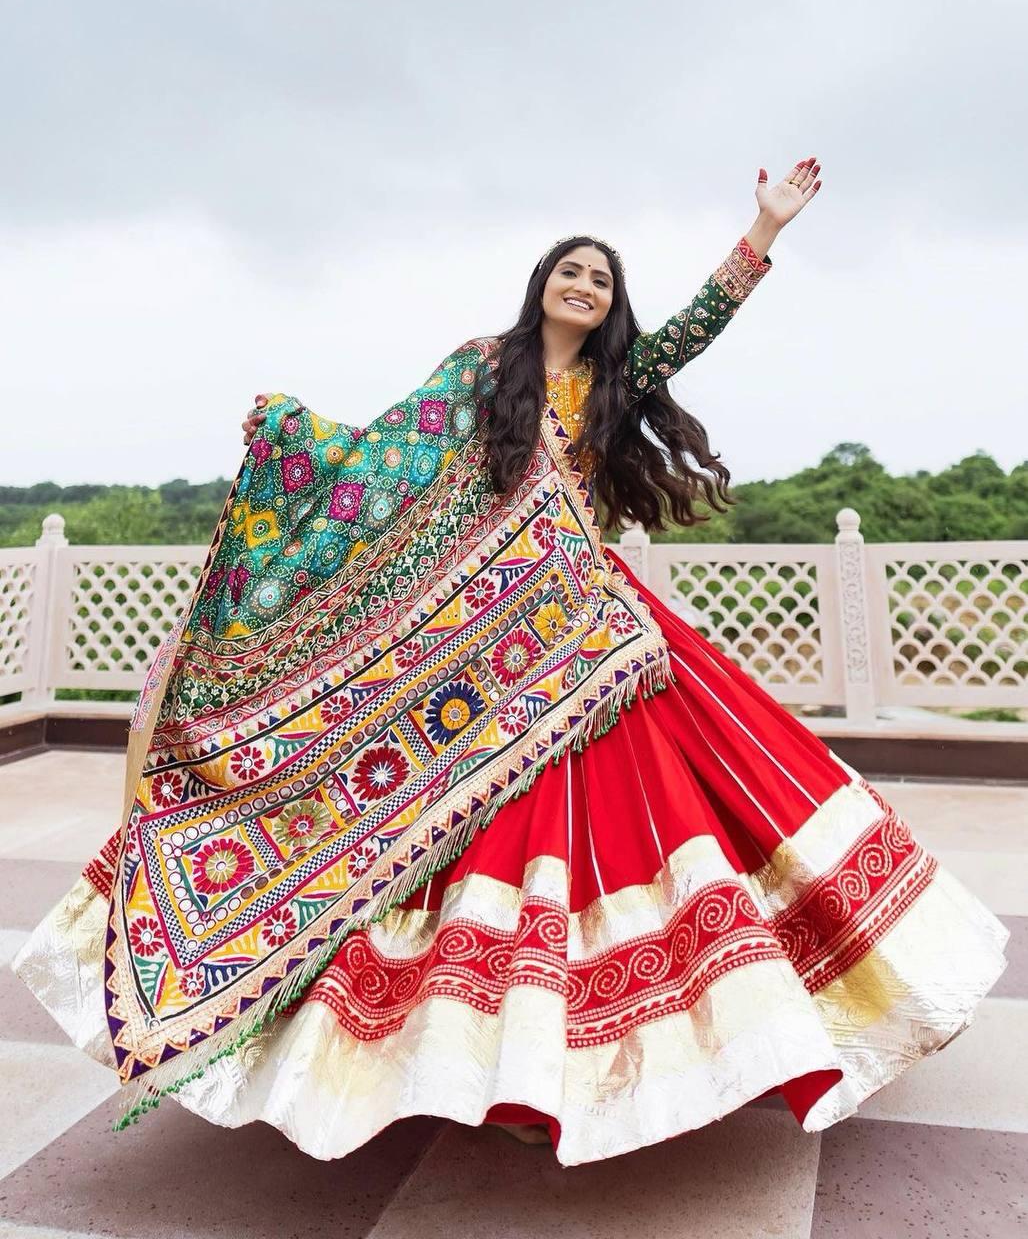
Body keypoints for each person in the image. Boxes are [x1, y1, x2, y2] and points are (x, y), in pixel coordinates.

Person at [14, 157, 1009, 1168]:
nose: (582, 287)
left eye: (600, 280)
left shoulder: (615, 376)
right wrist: (292, 436)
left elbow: (691, 330)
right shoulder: (481, 366)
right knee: (447, 816)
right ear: (540, 282)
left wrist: (761, 230)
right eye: (569, 272)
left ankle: (623, 1043)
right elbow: (384, 460)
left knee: (660, 806)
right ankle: (459, 1052)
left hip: (589, 624)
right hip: (484, 640)